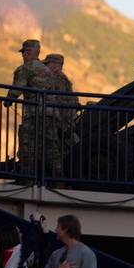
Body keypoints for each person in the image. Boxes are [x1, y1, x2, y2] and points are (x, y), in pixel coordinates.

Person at [4, 40, 56, 179]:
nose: (22, 56)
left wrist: (8, 100)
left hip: (35, 114)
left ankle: (27, 179)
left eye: (23, 53)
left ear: (28, 52)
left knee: (28, 147)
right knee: (49, 149)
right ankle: (54, 180)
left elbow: (17, 89)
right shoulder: (47, 70)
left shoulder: (26, 68)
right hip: (52, 114)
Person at [41, 54, 81, 182]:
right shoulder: (60, 78)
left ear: (56, 65)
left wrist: (60, 121)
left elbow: (60, 101)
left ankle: (59, 179)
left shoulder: (58, 78)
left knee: (58, 151)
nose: (46, 66)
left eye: (48, 64)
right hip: (63, 120)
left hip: (61, 122)